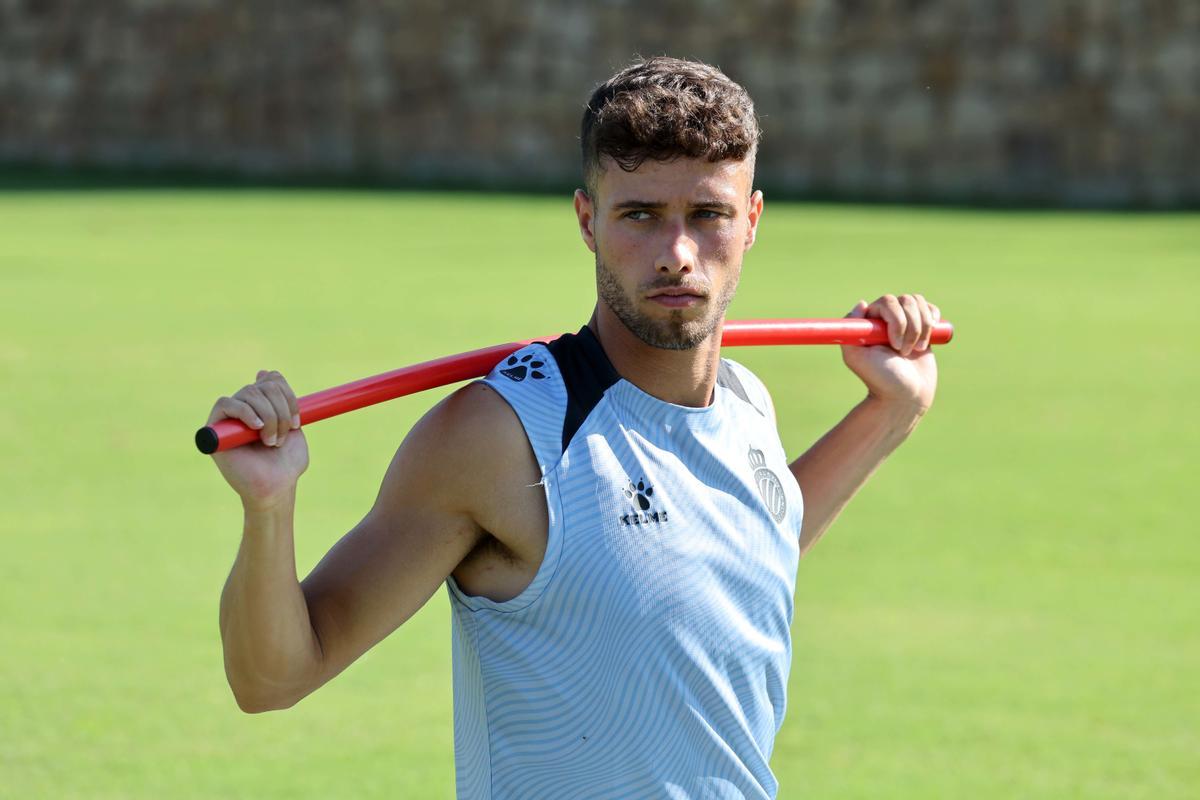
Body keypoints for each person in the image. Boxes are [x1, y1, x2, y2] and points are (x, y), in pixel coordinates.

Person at [207, 56, 942, 799]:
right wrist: (268, 507)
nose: (677, 254)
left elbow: (749, 541)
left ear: (750, 221)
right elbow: (272, 678)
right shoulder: (500, 435)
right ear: (589, 221)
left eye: (708, 215)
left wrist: (889, 411)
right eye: (641, 215)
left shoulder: (747, 403)